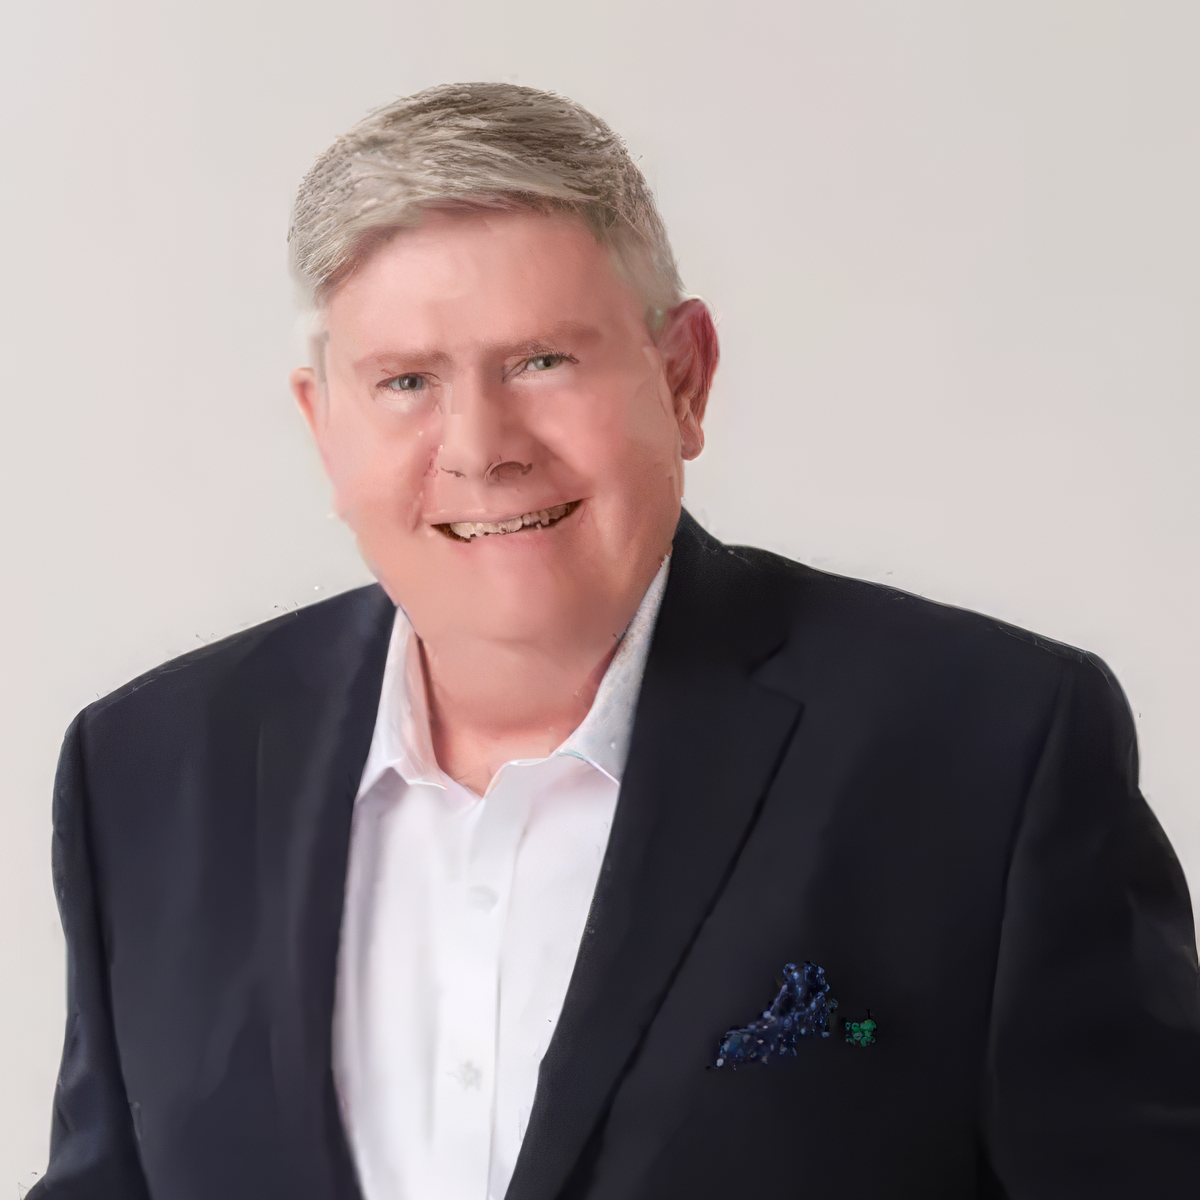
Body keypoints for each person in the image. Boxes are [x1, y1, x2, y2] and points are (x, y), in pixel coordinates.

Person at [30, 83, 1200, 1200]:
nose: (481, 446)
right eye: (406, 381)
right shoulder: (143, 772)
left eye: (542, 361)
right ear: (321, 421)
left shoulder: (987, 755)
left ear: (683, 377)